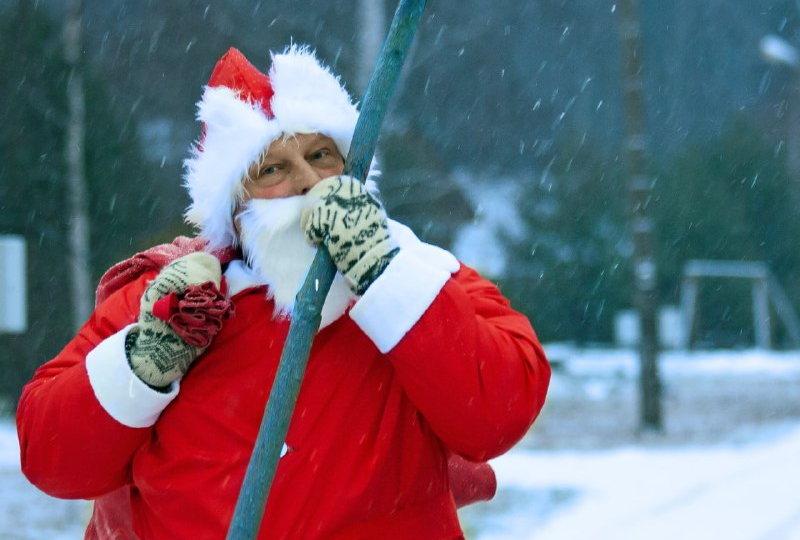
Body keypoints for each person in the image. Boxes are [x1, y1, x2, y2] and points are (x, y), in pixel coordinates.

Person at [16, 45, 550, 540]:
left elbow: (497, 415)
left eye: (322, 156)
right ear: (233, 205)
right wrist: (144, 363)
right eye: (272, 168)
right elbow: (53, 460)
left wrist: (384, 274)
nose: (306, 181)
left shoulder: (423, 273)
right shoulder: (168, 299)